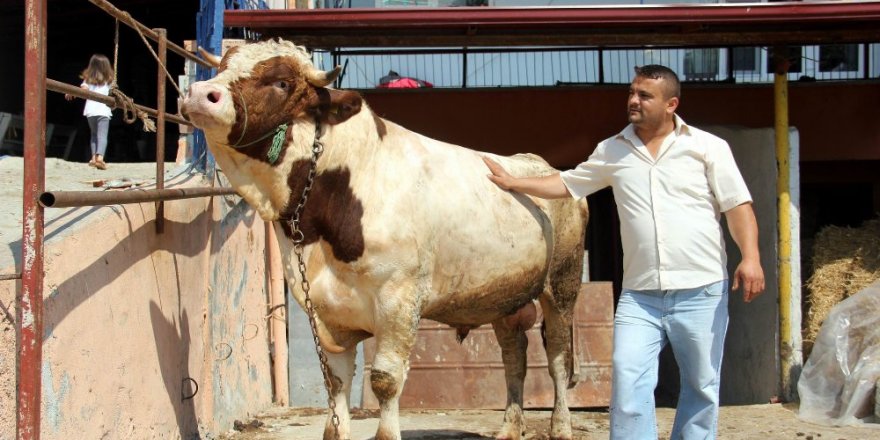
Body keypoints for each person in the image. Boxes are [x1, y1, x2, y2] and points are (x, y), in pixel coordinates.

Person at [483, 64, 765, 440]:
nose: (633, 100)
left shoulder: (707, 148)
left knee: (700, 387)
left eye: (644, 95)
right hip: (640, 296)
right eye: (631, 93)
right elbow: (568, 183)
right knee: (629, 384)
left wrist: (751, 257)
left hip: (702, 290)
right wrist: (514, 181)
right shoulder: (614, 150)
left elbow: (737, 207)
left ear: (671, 104)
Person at [65, 54, 114, 170]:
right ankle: (100, 158)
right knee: (102, 135)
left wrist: (72, 92)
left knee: (93, 135)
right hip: (103, 110)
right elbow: (114, 92)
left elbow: (83, 90)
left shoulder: (88, 79)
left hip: (90, 111)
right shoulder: (110, 80)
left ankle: (93, 158)